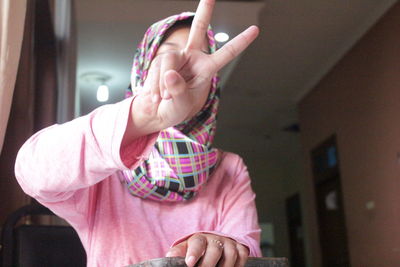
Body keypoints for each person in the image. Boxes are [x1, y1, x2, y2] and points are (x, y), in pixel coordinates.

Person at [14, 0, 261, 266]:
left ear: (212, 87)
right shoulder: (105, 163)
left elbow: (247, 249)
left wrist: (226, 246)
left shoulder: (230, 169)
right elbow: (32, 172)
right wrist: (145, 115)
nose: (183, 69)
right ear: (143, 68)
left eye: (199, 58)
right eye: (168, 54)